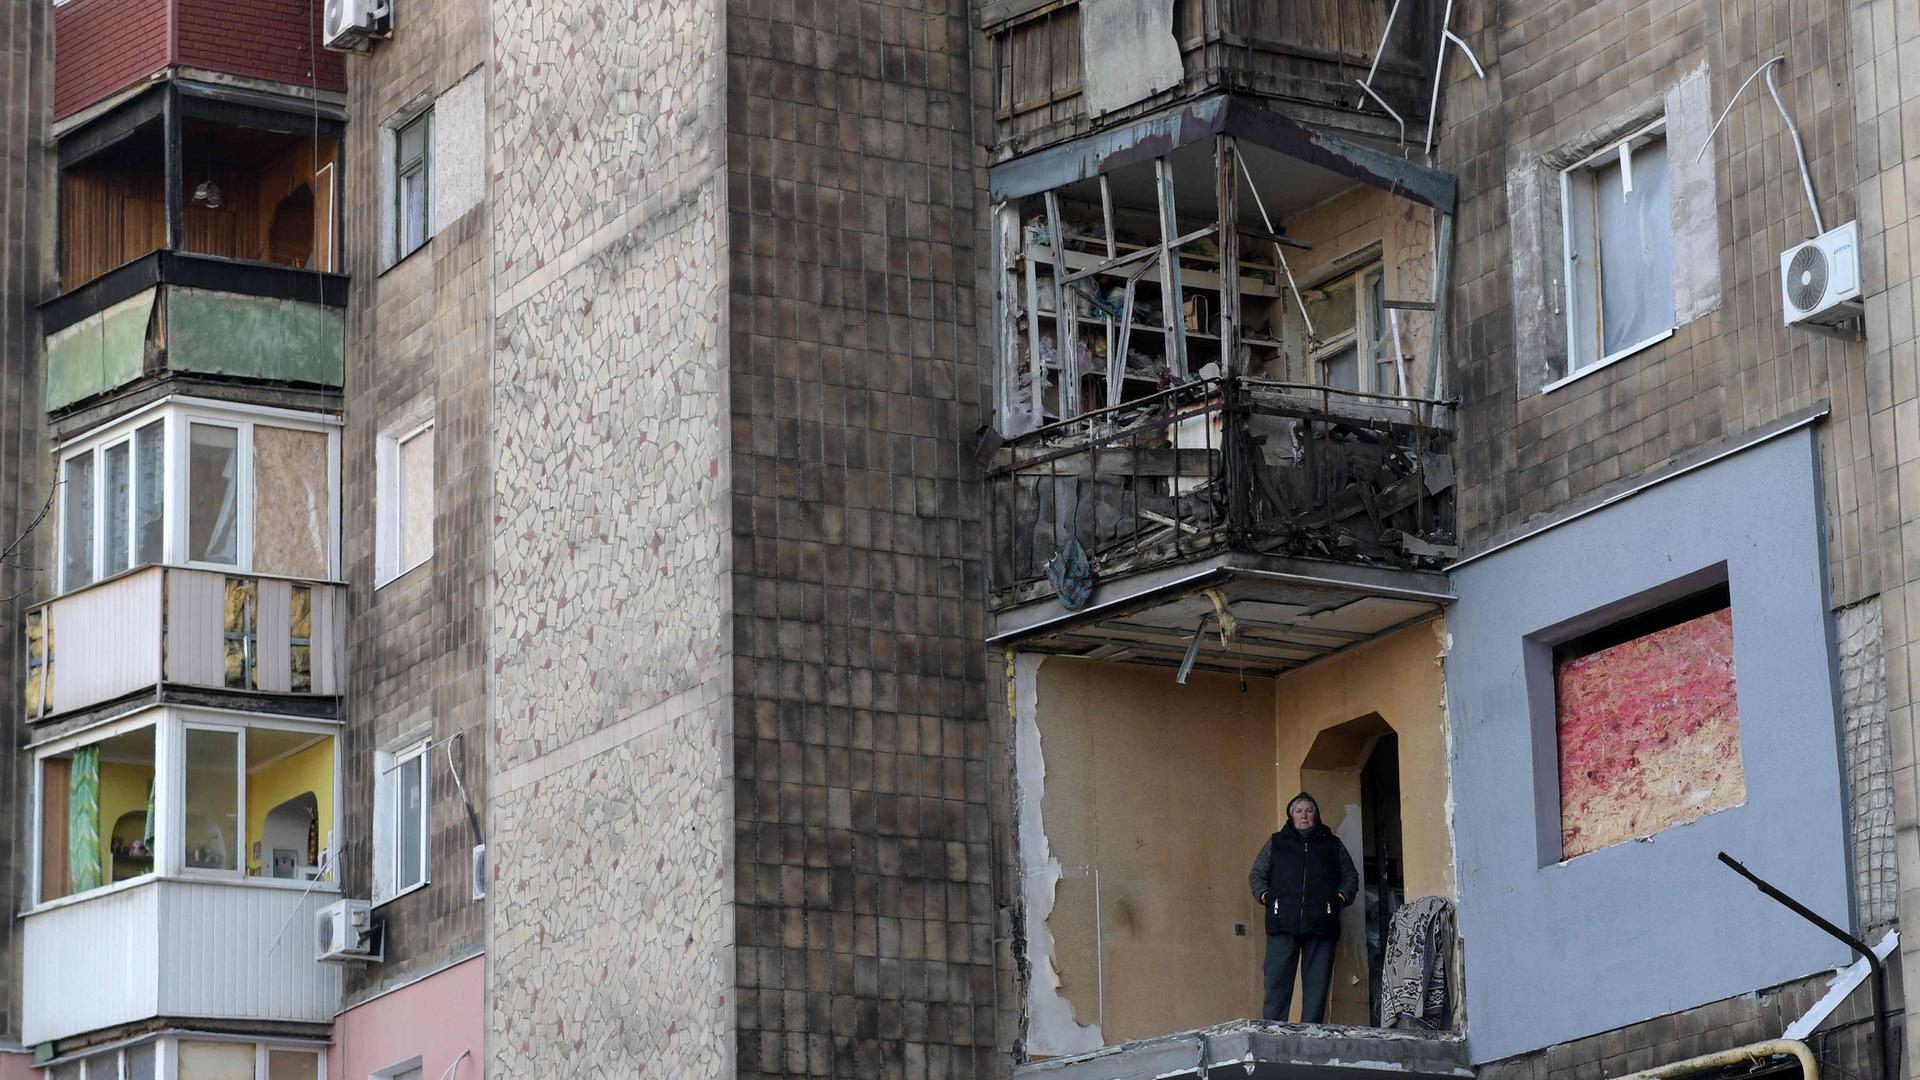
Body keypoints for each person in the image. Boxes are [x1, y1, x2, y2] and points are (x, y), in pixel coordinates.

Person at [1248, 791, 1359, 1023]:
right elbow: (1257, 874)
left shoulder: (1332, 844)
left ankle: (1311, 1037)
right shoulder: (1276, 842)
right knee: (1276, 984)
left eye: (1309, 811)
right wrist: (1266, 897)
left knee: (1317, 988)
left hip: (1322, 925)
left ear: (1316, 815)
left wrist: (1338, 900)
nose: (1304, 815)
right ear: (1291, 816)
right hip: (1282, 923)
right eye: (1299, 811)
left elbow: (1351, 878)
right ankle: (1273, 1033)